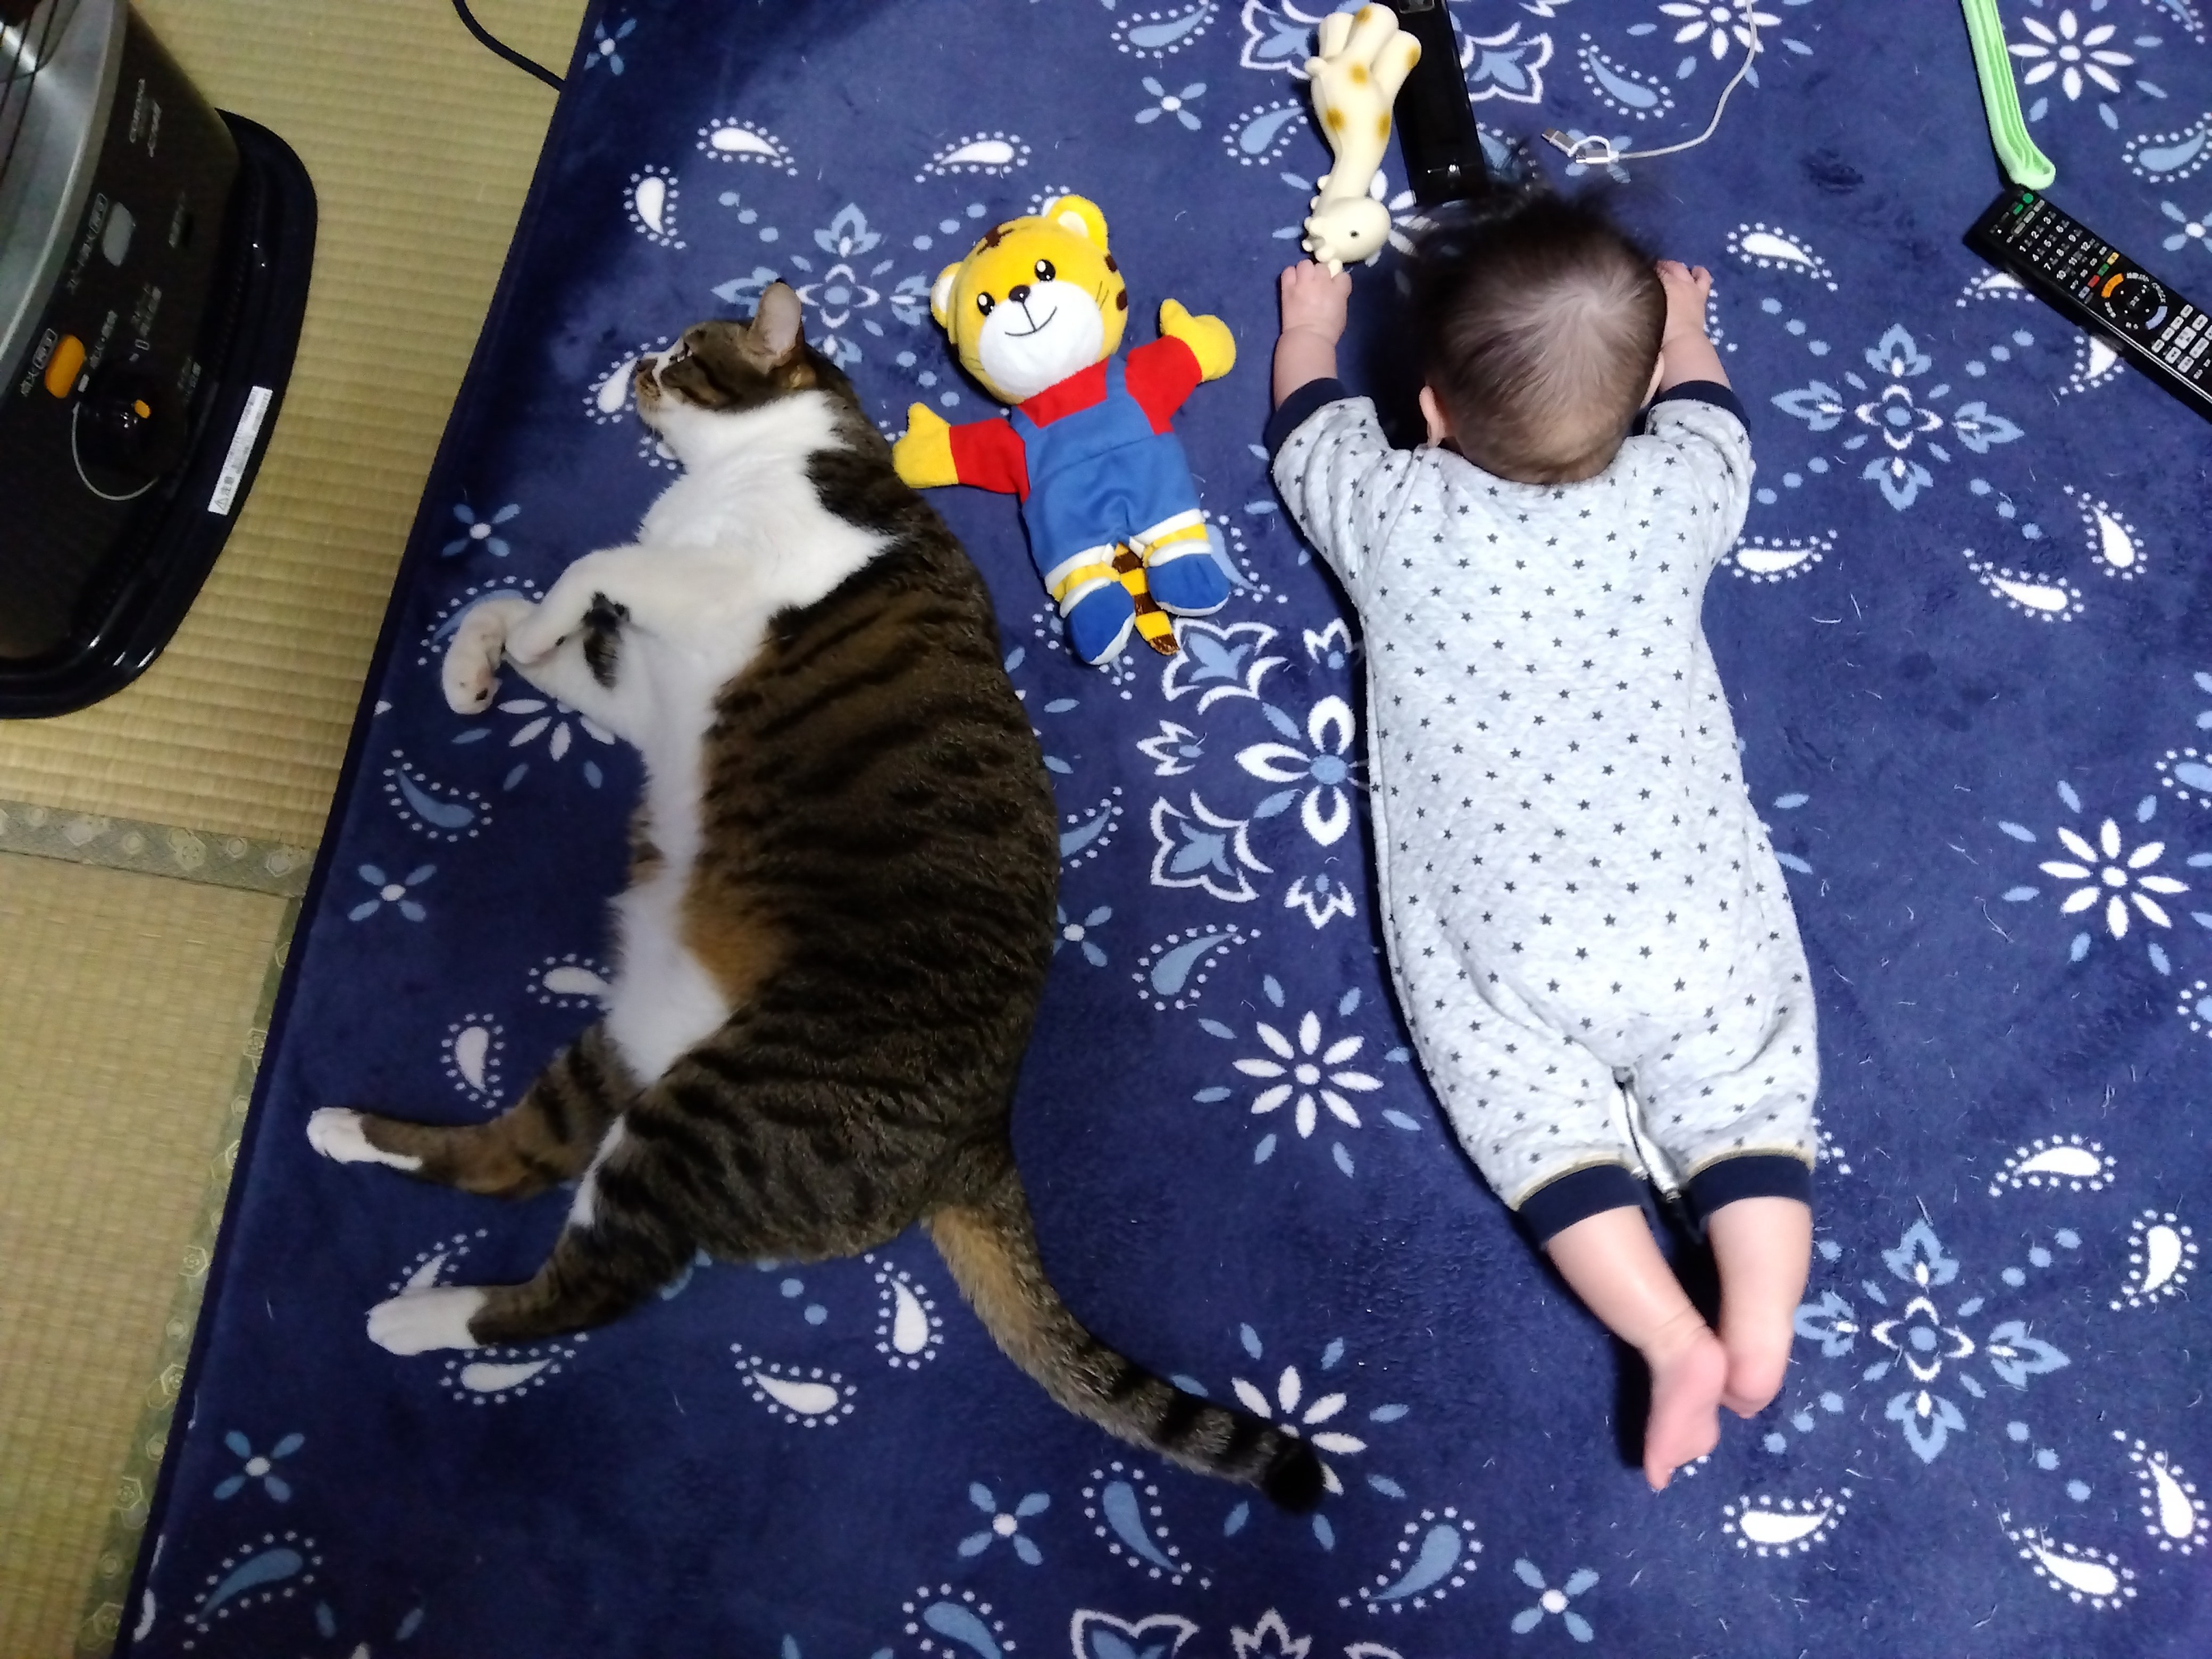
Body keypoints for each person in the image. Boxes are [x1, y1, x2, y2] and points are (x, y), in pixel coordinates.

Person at [1264, 195, 1817, 1489]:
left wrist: (1312, 327)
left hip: (1511, 934)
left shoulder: (1394, 511)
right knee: (1748, 1100)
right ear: (1633, 410)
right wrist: (1685, 326)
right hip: (1690, 914)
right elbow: (1711, 410)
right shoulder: (1678, 491)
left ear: (1430, 414)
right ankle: (1760, 1319)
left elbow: (1305, 431)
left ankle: (1668, 1338)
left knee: (1535, 1128)